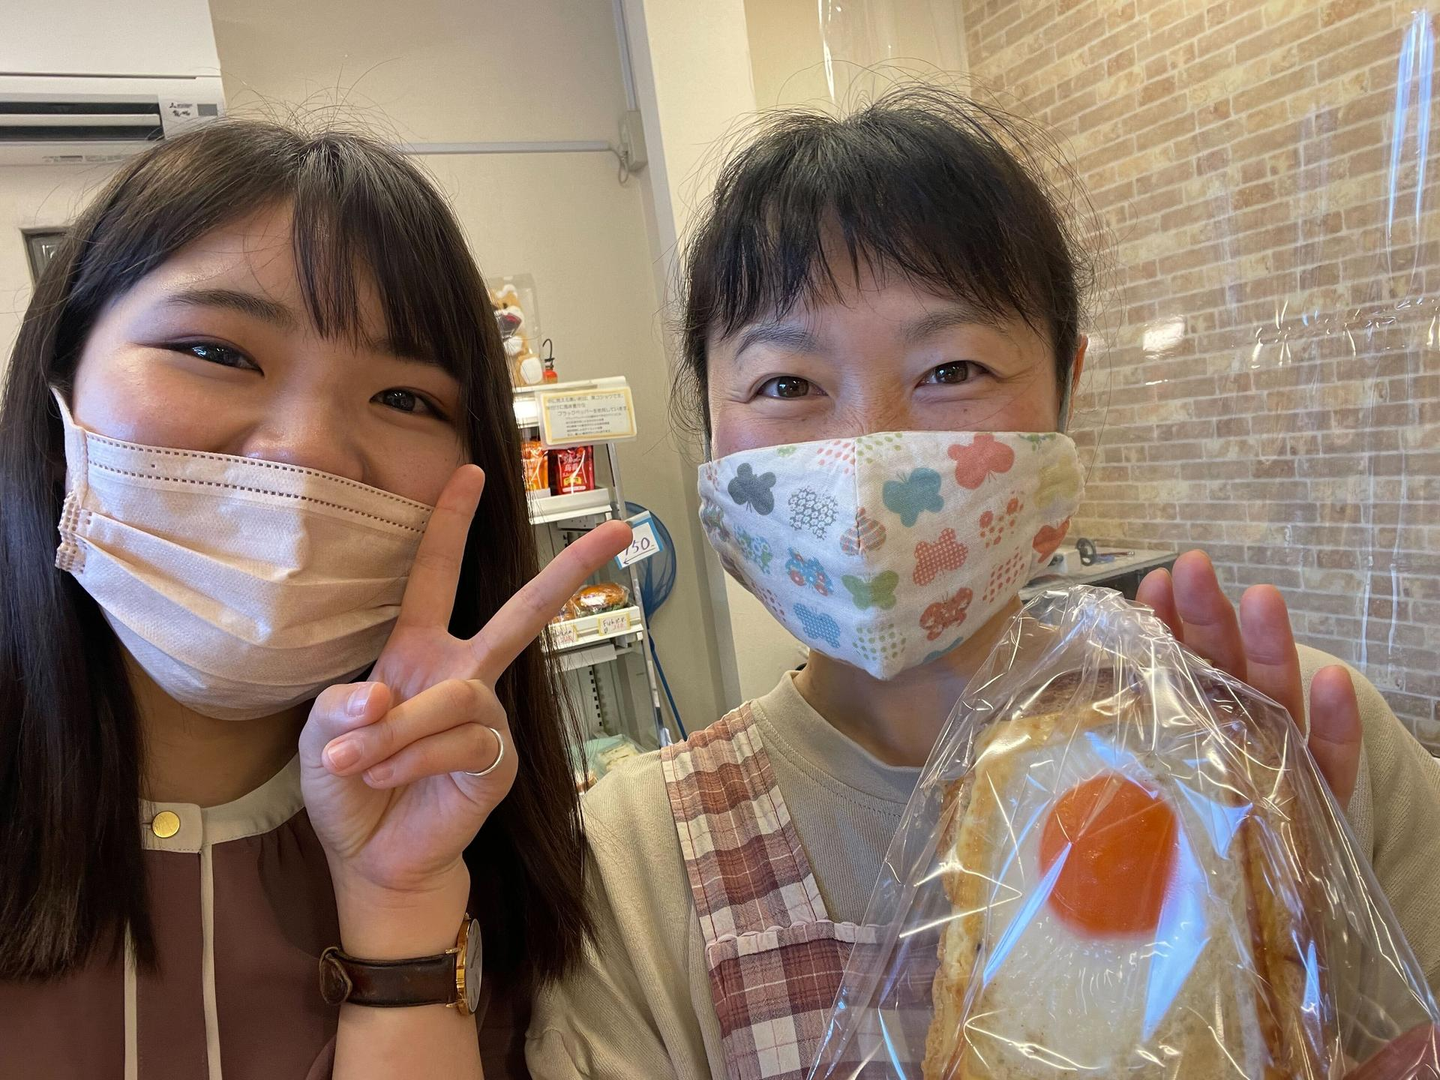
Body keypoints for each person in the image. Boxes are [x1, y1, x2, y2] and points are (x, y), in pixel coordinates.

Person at [526, 88, 1440, 1079]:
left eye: (952, 369)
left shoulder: (1278, 745)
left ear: (1066, 388)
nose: (870, 449)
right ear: (712, 428)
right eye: (786, 384)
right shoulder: (635, 862)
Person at [0, 119, 629, 1079]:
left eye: (406, 399)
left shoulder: (491, 856)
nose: (307, 451)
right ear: (58, 403)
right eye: (214, 351)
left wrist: (400, 906)